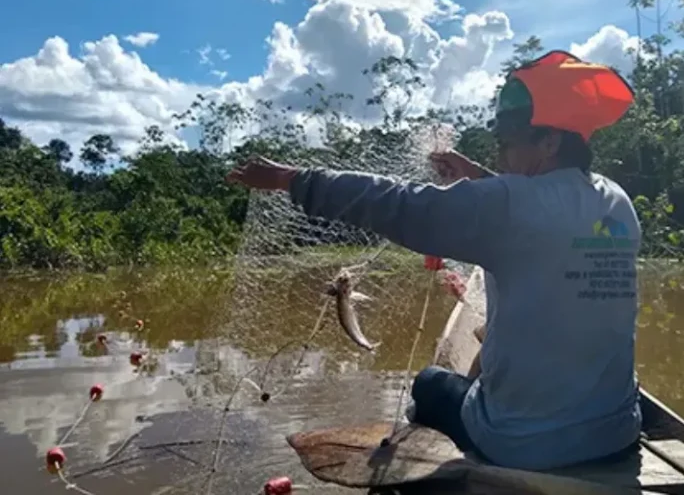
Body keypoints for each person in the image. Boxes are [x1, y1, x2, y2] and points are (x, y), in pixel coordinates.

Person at [226, 50, 643, 472]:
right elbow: (535, 207)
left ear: (549, 141)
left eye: (507, 145)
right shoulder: (614, 199)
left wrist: (293, 179)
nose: (501, 158)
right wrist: (477, 176)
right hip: (617, 431)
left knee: (430, 383)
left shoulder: (515, 208)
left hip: (524, 442)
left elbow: (400, 204)